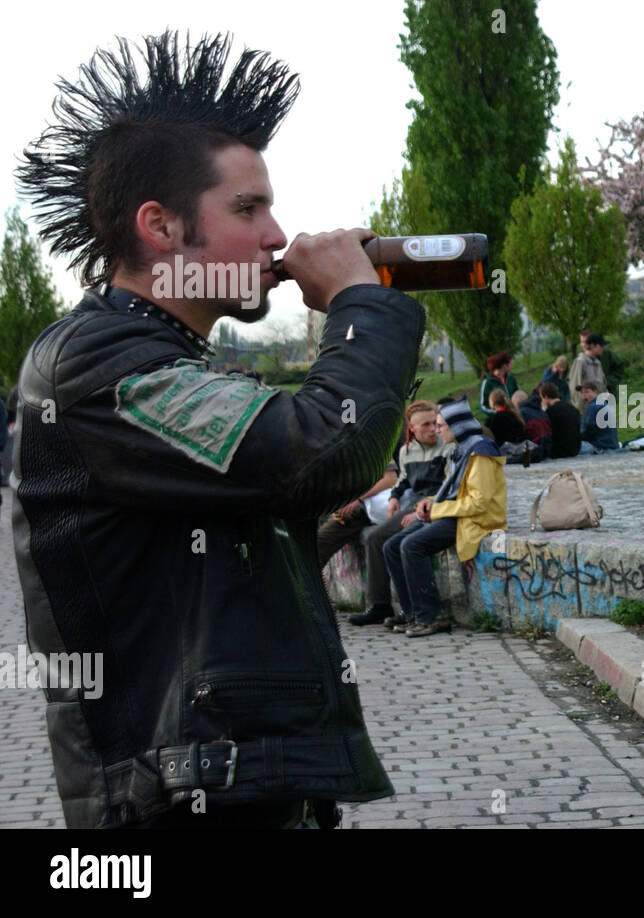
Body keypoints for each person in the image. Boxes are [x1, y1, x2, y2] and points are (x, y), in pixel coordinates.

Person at [10, 32, 415, 828]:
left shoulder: (165, 360)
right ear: (161, 227)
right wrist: (363, 307)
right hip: (178, 802)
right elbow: (318, 446)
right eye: (247, 207)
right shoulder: (98, 362)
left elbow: (245, 519)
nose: (275, 235)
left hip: (239, 790)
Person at [383, 398, 505, 636]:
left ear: (457, 426)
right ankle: (413, 614)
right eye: (434, 425)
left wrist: (437, 510)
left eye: (440, 425)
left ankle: (431, 616)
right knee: (391, 545)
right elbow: (453, 490)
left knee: (411, 545)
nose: (437, 431)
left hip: (474, 519)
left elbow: (479, 503)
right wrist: (431, 502)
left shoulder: (480, 451)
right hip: (457, 514)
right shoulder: (464, 449)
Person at [348, 399, 455, 629]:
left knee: (399, 543)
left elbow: (448, 487)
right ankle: (381, 604)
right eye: (424, 425)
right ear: (412, 429)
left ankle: (417, 611)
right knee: (376, 538)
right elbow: (404, 480)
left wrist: (421, 512)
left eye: (434, 423)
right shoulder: (407, 451)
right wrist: (394, 497)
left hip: (435, 506)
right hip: (414, 505)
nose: (432, 429)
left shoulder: (447, 447)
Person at [540, 382, 581, 458]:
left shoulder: (550, 411)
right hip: (575, 450)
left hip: (559, 452)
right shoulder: (573, 409)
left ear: (545, 396)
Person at [578, 381, 619, 453]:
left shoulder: (593, 406)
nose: (584, 395)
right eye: (582, 393)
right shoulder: (604, 403)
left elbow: (589, 431)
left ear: (595, 392)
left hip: (600, 447)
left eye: (587, 392)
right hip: (612, 444)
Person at [569, 333, 607, 405]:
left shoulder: (598, 363)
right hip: (586, 409)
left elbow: (603, 386)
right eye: (601, 345)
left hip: (599, 408)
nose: (603, 348)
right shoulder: (580, 362)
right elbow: (576, 388)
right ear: (592, 345)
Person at [479, 351, 518, 415]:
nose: (512, 365)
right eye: (511, 363)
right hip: (498, 419)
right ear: (504, 366)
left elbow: (517, 393)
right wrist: (498, 413)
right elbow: (483, 406)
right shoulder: (487, 383)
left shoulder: (510, 377)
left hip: (514, 415)